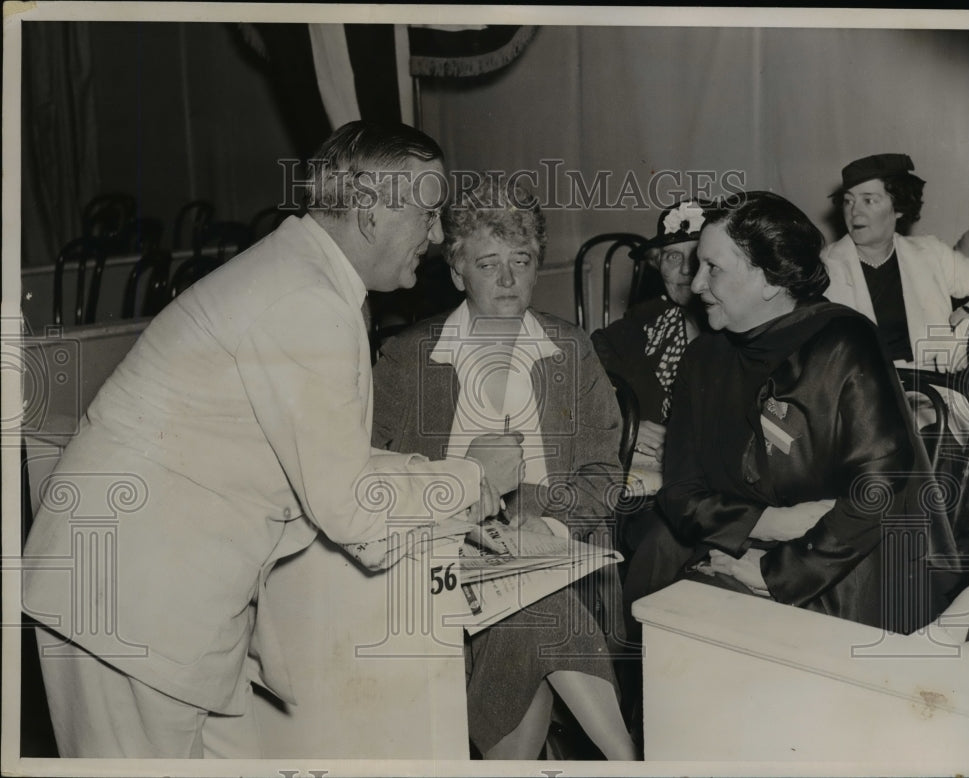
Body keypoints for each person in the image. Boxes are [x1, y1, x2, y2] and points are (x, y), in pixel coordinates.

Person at [21, 121, 524, 758]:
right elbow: (349, 507)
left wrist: (453, 499)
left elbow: (331, 460)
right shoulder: (304, 299)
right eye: (428, 214)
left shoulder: (305, 278)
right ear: (369, 211)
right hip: (130, 604)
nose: (434, 235)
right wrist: (470, 479)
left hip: (164, 599)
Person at [371, 176, 636, 760]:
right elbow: (373, 476)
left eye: (521, 260)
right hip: (438, 563)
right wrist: (458, 501)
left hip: (561, 556)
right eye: (489, 264)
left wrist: (547, 529)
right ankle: (631, 762)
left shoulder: (570, 349)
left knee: (534, 605)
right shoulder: (408, 357)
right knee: (536, 613)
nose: (509, 279)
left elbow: (601, 470)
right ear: (458, 271)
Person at [622, 190, 964, 638]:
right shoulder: (704, 356)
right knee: (677, 629)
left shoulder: (843, 340)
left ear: (768, 279)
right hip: (736, 552)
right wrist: (774, 523)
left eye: (713, 268)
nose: (697, 283)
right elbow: (682, 492)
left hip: (848, 566)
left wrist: (779, 570)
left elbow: (880, 488)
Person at [822, 153, 969, 374]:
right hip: (862, 394)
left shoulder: (931, 252)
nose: (854, 211)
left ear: (899, 207)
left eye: (868, 200)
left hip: (934, 389)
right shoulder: (824, 266)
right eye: (848, 200)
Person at [591, 200, 708, 464]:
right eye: (673, 256)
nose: (687, 269)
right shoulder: (642, 325)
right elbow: (583, 375)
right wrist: (621, 424)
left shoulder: (745, 333)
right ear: (657, 265)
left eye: (698, 254)